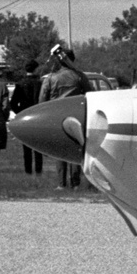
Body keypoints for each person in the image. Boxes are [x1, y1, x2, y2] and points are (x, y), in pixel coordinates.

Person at [39, 46, 91, 189]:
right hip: (76, 116)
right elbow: (91, 95)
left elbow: (41, 102)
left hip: (56, 117)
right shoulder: (80, 77)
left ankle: (61, 184)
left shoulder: (50, 78)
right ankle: (75, 183)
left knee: (59, 150)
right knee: (75, 149)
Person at [7, 60, 43, 175]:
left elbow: (12, 103)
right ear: (35, 69)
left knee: (26, 146)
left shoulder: (20, 83)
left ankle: (28, 170)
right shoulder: (40, 83)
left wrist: (19, 112)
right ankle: (38, 170)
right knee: (38, 147)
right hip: (38, 116)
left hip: (25, 116)